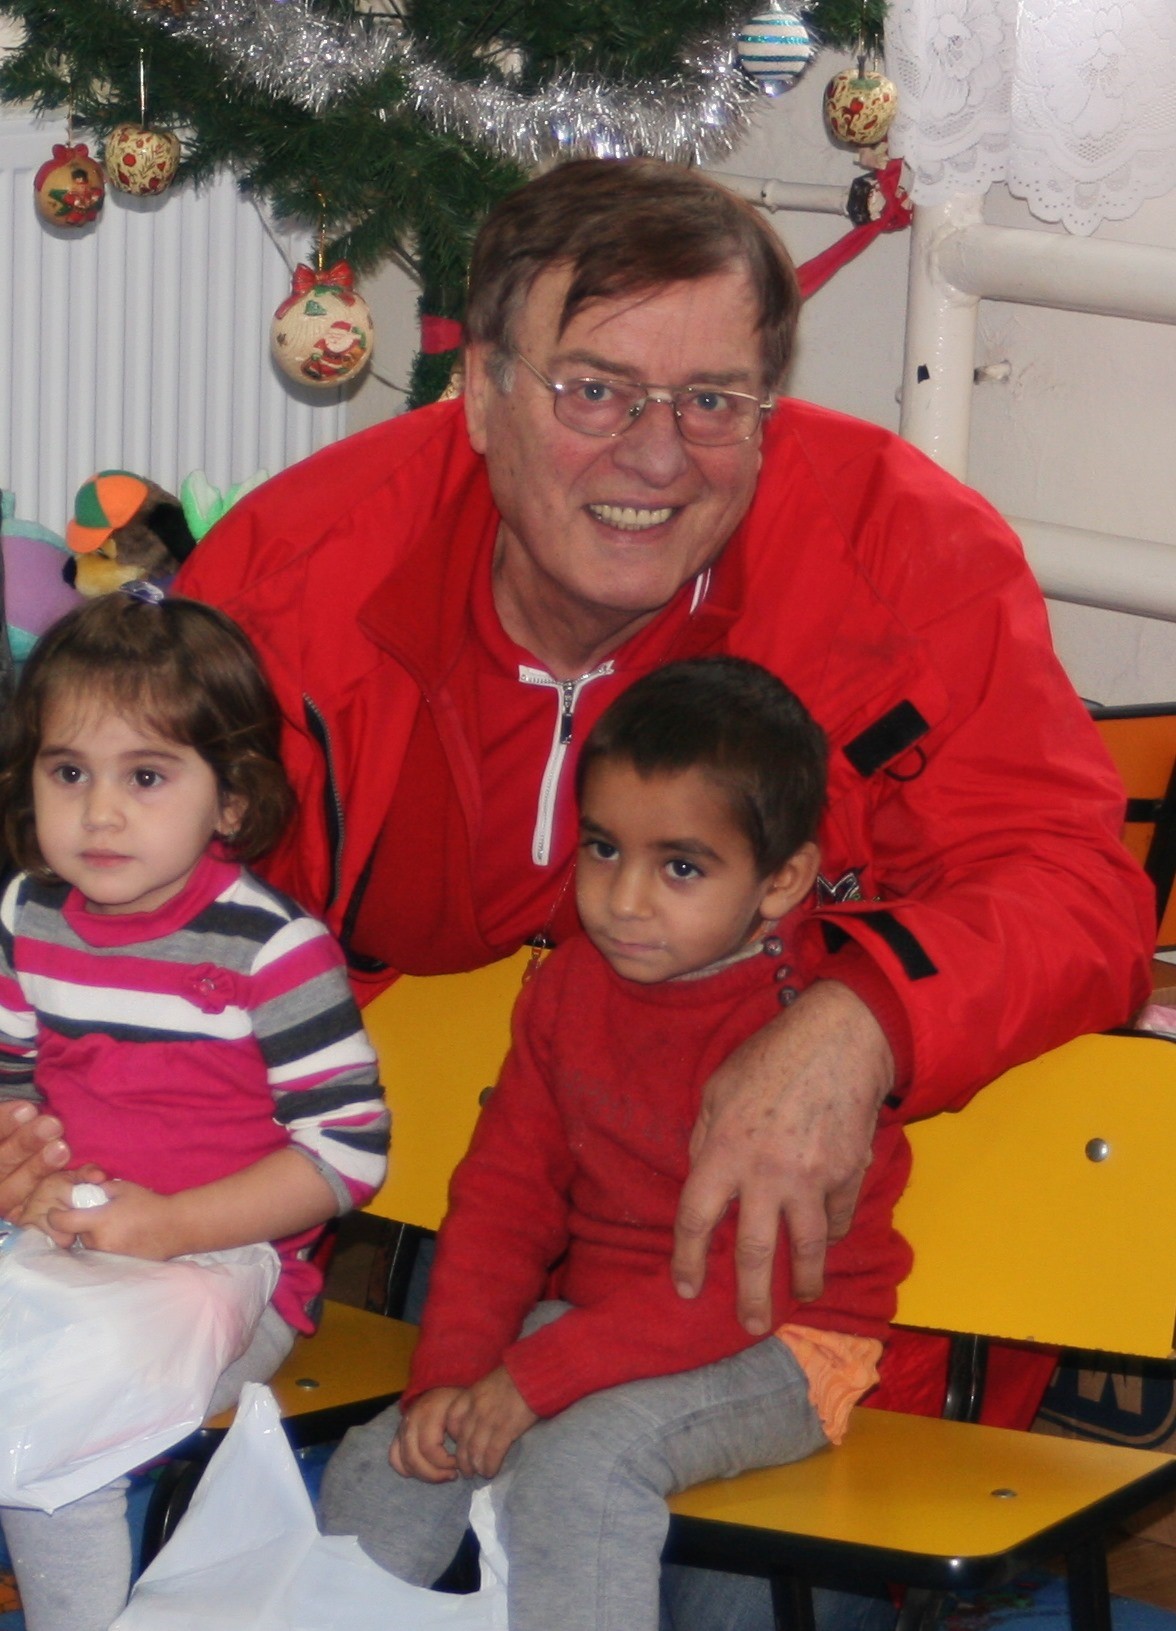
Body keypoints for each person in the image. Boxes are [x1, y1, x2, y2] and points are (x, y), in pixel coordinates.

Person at [0, 155, 1153, 1625]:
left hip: (795, 1303)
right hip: (490, 1258)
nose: (658, 454)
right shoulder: (302, 576)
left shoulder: (897, 549)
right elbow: (134, 924)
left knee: (718, 1597)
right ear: (479, 393)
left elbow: (1077, 886)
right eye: (595, 389)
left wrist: (858, 1016)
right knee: (350, 1521)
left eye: (714, 399)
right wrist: (39, 1131)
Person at [320, 656, 913, 1631]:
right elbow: (504, 1196)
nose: (625, 897)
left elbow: (744, 1287)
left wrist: (533, 1378)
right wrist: (453, 1376)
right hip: (594, 1327)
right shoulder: (567, 987)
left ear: (782, 880)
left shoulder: (801, 1050)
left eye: (680, 866)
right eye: (603, 847)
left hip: (784, 1341)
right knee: (396, 1454)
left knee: (580, 1468)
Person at [0, 589, 389, 1631]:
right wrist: (18, 1165)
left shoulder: (272, 949)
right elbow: (9, 1081)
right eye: (68, 771)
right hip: (58, 1248)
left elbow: (349, 1153)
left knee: (64, 1429)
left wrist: (169, 1225)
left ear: (231, 801)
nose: (100, 811)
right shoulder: (29, 914)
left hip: (228, 1267)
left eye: (146, 775)